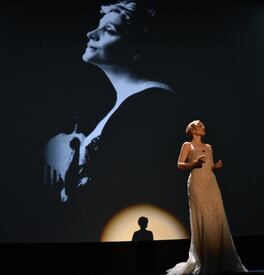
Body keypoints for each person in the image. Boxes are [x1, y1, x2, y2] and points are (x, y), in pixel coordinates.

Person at [42, 0, 187, 241]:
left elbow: (124, 190)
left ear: (137, 49)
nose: (91, 33)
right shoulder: (122, 106)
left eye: (109, 30)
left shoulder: (151, 103)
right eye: (98, 26)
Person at [166, 120, 248, 274]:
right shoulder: (187, 145)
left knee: (216, 217)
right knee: (202, 217)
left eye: (203, 126)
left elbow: (208, 167)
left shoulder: (209, 147)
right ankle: (204, 258)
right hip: (196, 184)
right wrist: (194, 164)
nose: (203, 128)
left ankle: (218, 258)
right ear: (192, 129)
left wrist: (215, 167)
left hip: (211, 183)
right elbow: (179, 164)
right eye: (200, 125)